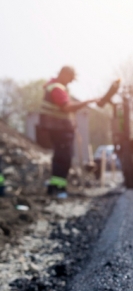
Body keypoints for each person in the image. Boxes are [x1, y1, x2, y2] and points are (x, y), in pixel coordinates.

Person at [38, 67, 98, 198]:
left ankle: (55, 187)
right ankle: (58, 189)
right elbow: (66, 107)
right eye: (70, 79)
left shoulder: (53, 86)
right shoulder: (57, 88)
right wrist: (87, 102)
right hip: (60, 130)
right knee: (63, 159)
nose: (70, 82)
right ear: (64, 74)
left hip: (58, 129)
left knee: (61, 158)